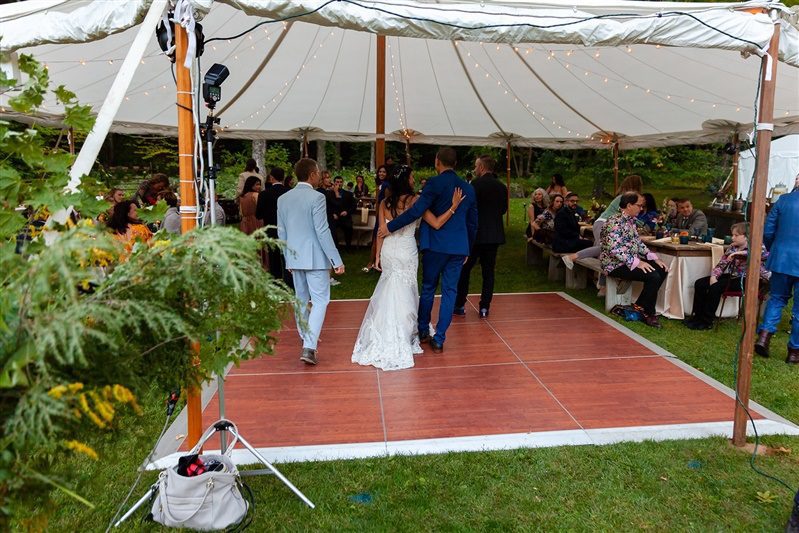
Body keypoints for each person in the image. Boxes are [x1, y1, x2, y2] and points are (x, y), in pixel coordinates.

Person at [352, 165, 464, 370]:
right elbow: (437, 223)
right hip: (406, 252)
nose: (414, 179)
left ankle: (383, 331)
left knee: (389, 290)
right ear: (405, 180)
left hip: (389, 252)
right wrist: (454, 206)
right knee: (405, 291)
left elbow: (380, 231)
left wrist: (377, 256)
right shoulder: (416, 201)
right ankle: (402, 334)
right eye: (412, 177)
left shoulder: (384, 202)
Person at [380, 147, 478, 353]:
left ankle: (423, 330)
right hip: (459, 247)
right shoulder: (468, 188)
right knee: (450, 291)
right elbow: (472, 223)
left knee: (428, 289)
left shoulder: (434, 184)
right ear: (456, 164)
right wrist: (467, 247)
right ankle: (440, 338)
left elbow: (416, 211)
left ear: (437, 162)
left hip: (435, 246)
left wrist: (390, 226)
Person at [277, 158, 344, 365]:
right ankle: (309, 346)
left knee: (301, 300)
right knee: (321, 300)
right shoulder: (317, 198)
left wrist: (287, 257)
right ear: (313, 174)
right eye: (318, 172)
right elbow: (322, 231)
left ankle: (307, 339)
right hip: (315, 258)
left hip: (295, 257)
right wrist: (336, 260)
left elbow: (281, 231)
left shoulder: (283, 199)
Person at [561, 175, 644, 292]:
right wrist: (643, 224)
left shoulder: (625, 198)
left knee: (608, 253)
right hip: (604, 223)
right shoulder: (625, 199)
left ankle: (602, 287)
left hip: (608, 224)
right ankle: (572, 257)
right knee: (605, 248)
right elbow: (628, 215)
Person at [600, 192, 669, 328]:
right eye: (639, 205)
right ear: (629, 205)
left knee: (661, 269)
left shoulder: (631, 221)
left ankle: (640, 307)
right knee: (653, 276)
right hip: (614, 265)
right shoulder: (614, 222)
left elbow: (638, 243)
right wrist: (637, 262)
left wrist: (653, 258)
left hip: (627, 261)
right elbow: (614, 249)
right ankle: (649, 313)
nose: (641, 208)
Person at [684, 222, 769, 330]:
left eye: (736, 235)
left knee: (716, 288)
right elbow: (722, 264)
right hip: (733, 276)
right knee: (700, 283)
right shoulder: (733, 248)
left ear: (746, 236)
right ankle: (697, 316)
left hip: (748, 279)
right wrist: (714, 276)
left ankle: (707, 321)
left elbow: (761, 255)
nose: (733, 237)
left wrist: (738, 254)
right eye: (732, 235)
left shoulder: (758, 246)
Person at [454, 155, 508, 318]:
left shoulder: (474, 185)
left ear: (482, 167)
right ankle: (485, 306)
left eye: (476, 166)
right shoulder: (501, 187)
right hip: (493, 235)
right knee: (488, 272)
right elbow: (503, 209)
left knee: (465, 269)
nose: (475, 169)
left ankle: (460, 304)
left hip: (475, 234)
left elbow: (467, 208)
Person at [755, 174, 799, 362]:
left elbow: (768, 231)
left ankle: (764, 336)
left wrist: (775, 247)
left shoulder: (783, 200)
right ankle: (794, 352)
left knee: (777, 298)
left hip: (781, 257)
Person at [255, 167, 291, 284]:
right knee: (287, 254)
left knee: (273, 255)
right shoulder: (289, 192)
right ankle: (289, 277)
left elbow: (258, 214)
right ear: (283, 177)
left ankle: (276, 278)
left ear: (271, 178)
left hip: (271, 227)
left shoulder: (264, 194)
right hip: (288, 228)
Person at [363, 165, 390, 272]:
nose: (381, 174)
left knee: (377, 238)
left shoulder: (386, 185)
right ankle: (374, 262)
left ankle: (374, 263)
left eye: (384, 172)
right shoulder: (380, 184)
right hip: (381, 214)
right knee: (376, 238)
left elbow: (386, 201)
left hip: (384, 215)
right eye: (380, 172)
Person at [331, 175, 356, 250]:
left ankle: (348, 246)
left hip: (345, 217)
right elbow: (327, 206)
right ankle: (335, 247)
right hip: (334, 217)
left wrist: (347, 212)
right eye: (337, 182)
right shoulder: (330, 193)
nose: (339, 183)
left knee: (349, 227)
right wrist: (332, 213)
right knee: (331, 229)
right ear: (334, 183)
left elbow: (354, 206)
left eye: (340, 182)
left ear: (343, 183)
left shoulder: (348, 194)